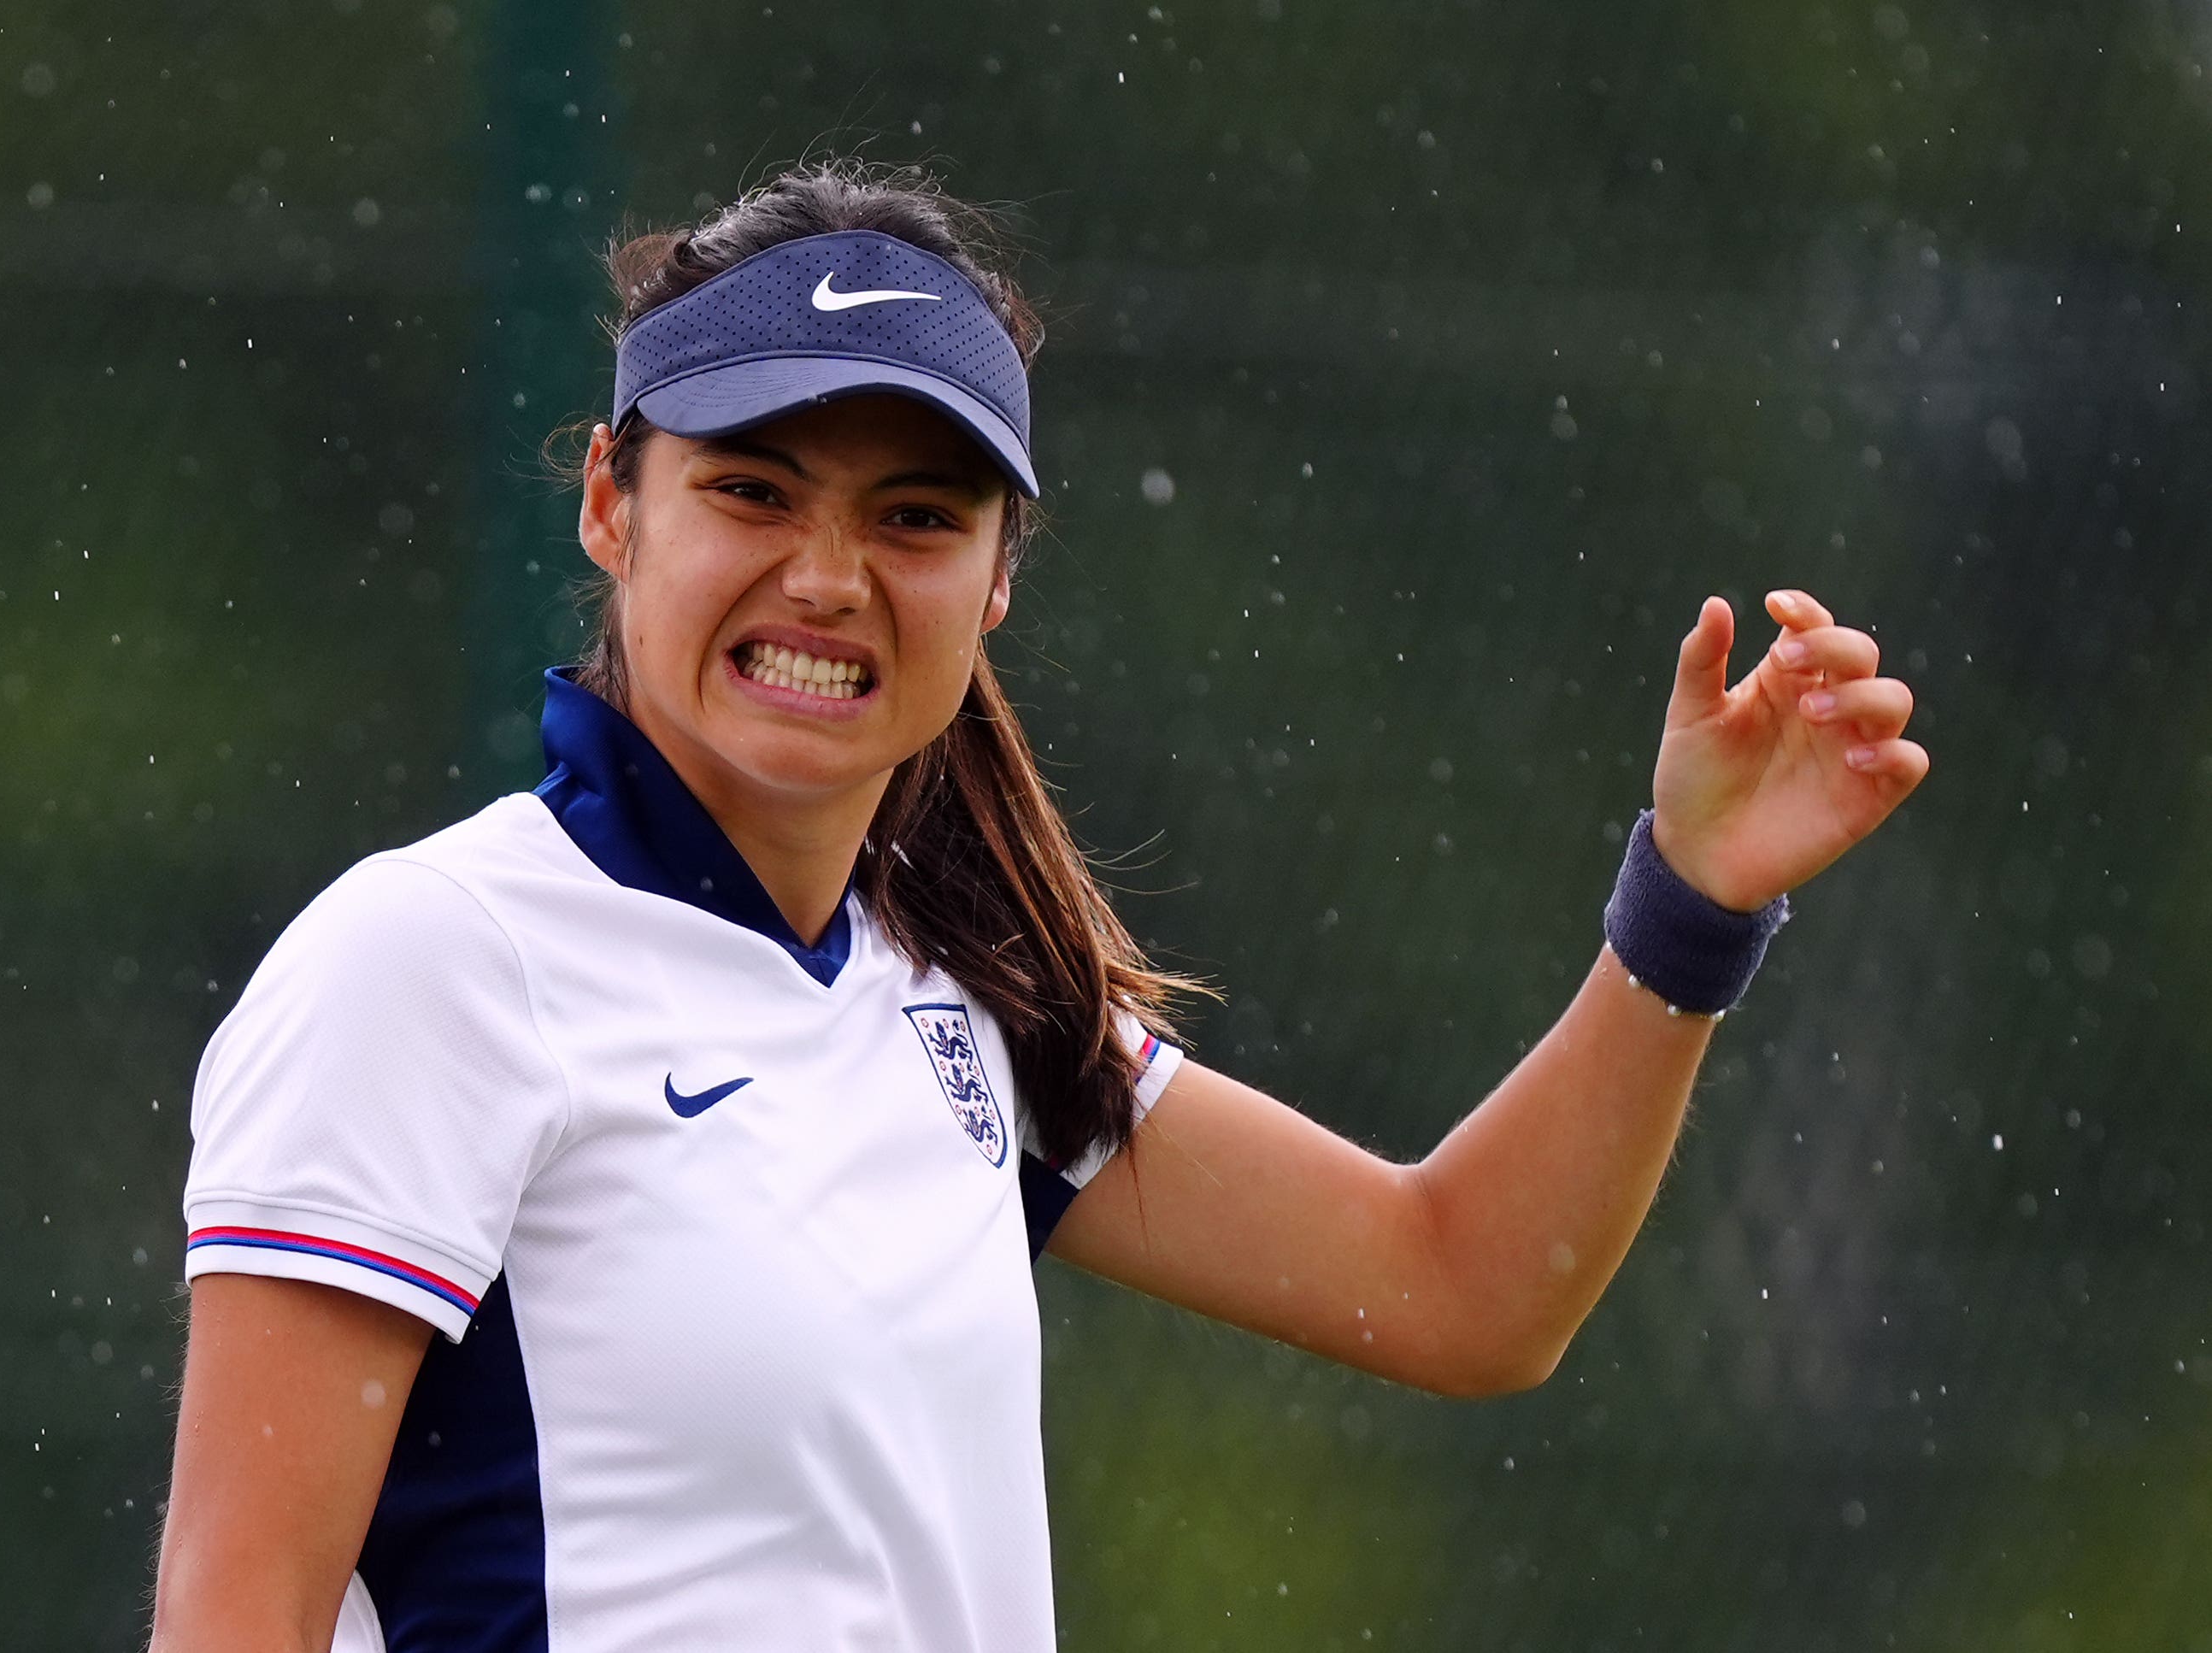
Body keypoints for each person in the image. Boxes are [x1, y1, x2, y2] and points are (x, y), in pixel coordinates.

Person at [147, 162, 1929, 1652]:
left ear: (997, 579)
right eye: (750, 489)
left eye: (914, 516)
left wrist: (1686, 903)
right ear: (616, 505)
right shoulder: (431, 964)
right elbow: (236, 1617)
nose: (827, 578)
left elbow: (1461, 1287)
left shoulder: (951, 997)